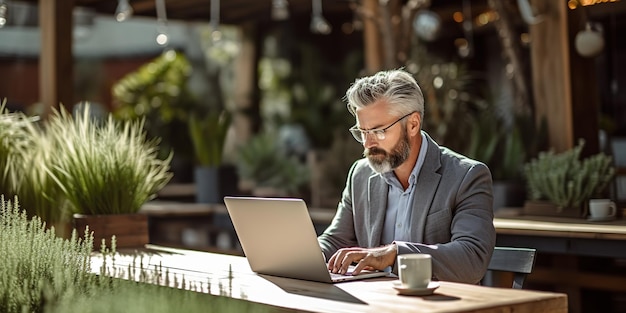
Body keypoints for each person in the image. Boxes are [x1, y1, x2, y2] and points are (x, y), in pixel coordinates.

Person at [317, 69, 496, 284]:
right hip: (377, 304)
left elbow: (471, 259)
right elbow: (335, 240)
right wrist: (308, 254)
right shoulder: (360, 175)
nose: (368, 143)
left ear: (413, 124)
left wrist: (394, 253)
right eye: (362, 132)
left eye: (379, 131)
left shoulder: (466, 176)